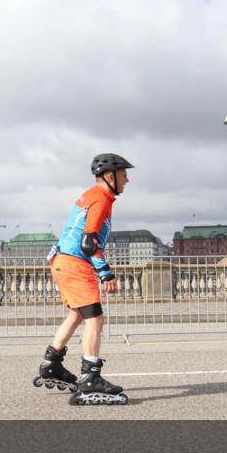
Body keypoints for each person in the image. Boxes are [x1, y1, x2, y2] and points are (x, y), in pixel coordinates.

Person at [35, 153, 134, 405]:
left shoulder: (91, 195)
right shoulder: (101, 199)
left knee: (77, 314)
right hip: (75, 263)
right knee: (95, 318)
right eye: (124, 175)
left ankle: (52, 363)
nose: (127, 180)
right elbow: (89, 242)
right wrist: (106, 272)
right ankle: (91, 377)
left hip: (62, 261)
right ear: (110, 176)